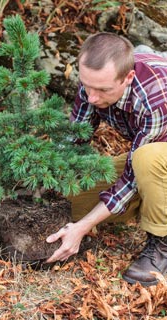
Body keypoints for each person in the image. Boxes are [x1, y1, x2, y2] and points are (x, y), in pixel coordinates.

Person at [46, 32, 167, 287]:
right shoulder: (94, 84)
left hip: (154, 157)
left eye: (102, 90)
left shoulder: (154, 96)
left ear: (128, 78)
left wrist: (84, 227)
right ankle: (153, 202)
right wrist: (43, 174)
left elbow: (133, 175)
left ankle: (162, 245)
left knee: (147, 159)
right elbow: (75, 137)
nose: (91, 97)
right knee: (71, 202)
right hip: (154, 159)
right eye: (86, 85)